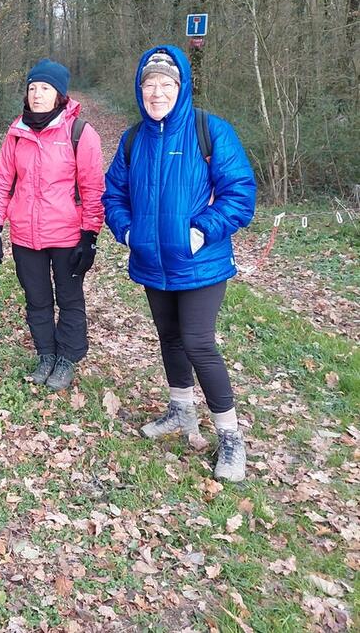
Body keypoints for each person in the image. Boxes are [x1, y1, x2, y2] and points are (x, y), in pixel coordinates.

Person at [102, 45, 256, 482]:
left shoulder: (211, 131)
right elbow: (113, 195)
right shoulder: (133, 140)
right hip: (153, 262)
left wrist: (201, 230)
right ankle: (181, 410)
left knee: (198, 343)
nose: (157, 92)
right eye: (149, 84)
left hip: (200, 262)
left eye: (165, 84)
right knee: (169, 338)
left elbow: (240, 194)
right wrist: (128, 232)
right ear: (140, 90)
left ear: (181, 87)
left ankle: (230, 436)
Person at [0, 58, 105, 390]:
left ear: (59, 95)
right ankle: (46, 355)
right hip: (25, 235)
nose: (37, 94)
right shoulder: (16, 133)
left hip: (67, 235)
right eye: (33, 88)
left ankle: (67, 358)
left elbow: (93, 188)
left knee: (69, 299)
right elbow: (3, 182)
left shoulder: (80, 133)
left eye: (45, 88)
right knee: (36, 299)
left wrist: (90, 235)